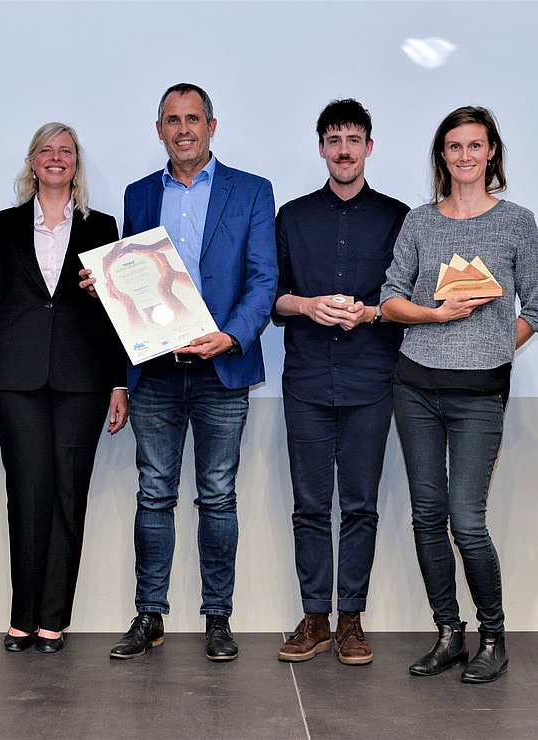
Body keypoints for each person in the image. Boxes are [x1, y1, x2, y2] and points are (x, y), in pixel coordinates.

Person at [82, 82, 277, 662]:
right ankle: (150, 615)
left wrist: (232, 335)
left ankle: (218, 618)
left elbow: (264, 279)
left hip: (222, 367)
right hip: (157, 372)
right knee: (154, 495)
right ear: (159, 129)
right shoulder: (138, 194)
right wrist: (108, 288)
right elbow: (135, 278)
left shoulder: (252, 191)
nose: (184, 129)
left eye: (194, 119)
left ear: (212, 127)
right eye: (173, 119)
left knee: (218, 497)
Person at [380, 106, 538, 683]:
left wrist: (497, 344)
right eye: (454, 146)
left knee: (467, 521)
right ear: (441, 156)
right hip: (416, 386)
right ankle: (449, 633)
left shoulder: (519, 222)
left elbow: (537, 308)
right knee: (427, 516)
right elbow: (390, 298)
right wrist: (436, 315)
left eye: (476, 145)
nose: (465, 156)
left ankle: (492, 635)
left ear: (491, 151)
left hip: (480, 395)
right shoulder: (420, 223)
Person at [0, 123, 128, 654]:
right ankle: (22, 614)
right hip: (15, 381)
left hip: (83, 381)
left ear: (76, 163)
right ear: (32, 161)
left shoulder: (102, 226)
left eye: (65, 151)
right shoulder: (5, 225)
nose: (56, 158)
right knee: (26, 492)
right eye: (46, 150)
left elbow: (118, 315)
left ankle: (53, 618)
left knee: (68, 494)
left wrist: (118, 383)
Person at [274, 99, 409, 666]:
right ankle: (314, 619)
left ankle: (351, 619)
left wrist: (372, 311)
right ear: (321, 147)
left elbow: (410, 300)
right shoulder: (292, 216)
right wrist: (308, 305)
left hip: (372, 379)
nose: (344, 150)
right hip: (306, 379)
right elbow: (271, 301)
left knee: (359, 505)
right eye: (333, 140)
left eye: (354, 139)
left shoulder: (399, 217)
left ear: (369, 147)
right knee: (308, 505)